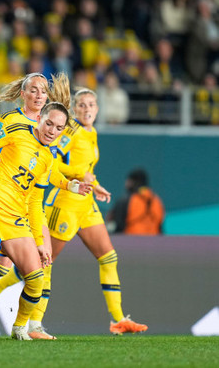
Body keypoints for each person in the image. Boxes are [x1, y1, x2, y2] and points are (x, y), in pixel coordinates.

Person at [0, 99, 91, 340]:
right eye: (49, 124)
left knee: (35, 276)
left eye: (58, 128)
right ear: (40, 119)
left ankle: (19, 327)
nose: (52, 131)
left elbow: (35, 203)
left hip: (13, 214)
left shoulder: (47, 158)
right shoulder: (16, 128)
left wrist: (40, 241)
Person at [42, 89, 147, 335]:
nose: (87, 109)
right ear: (74, 110)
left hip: (86, 203)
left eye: (91, 105)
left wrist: (95, 184)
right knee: (43, 261)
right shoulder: (69, 131)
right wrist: (80, 174)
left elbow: (87, 169)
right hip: (65, 202)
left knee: (108, 257)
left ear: (98, 109)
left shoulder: (92, 132)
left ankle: (118, 320)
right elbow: (53, 163)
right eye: (81, 105)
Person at [107, 168, 165, 235]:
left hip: (130, 243)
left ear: (131, 182)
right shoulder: (157, 201)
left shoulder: (125, 200)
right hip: (154, 243)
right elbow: (160, 228)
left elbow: (118, 227)